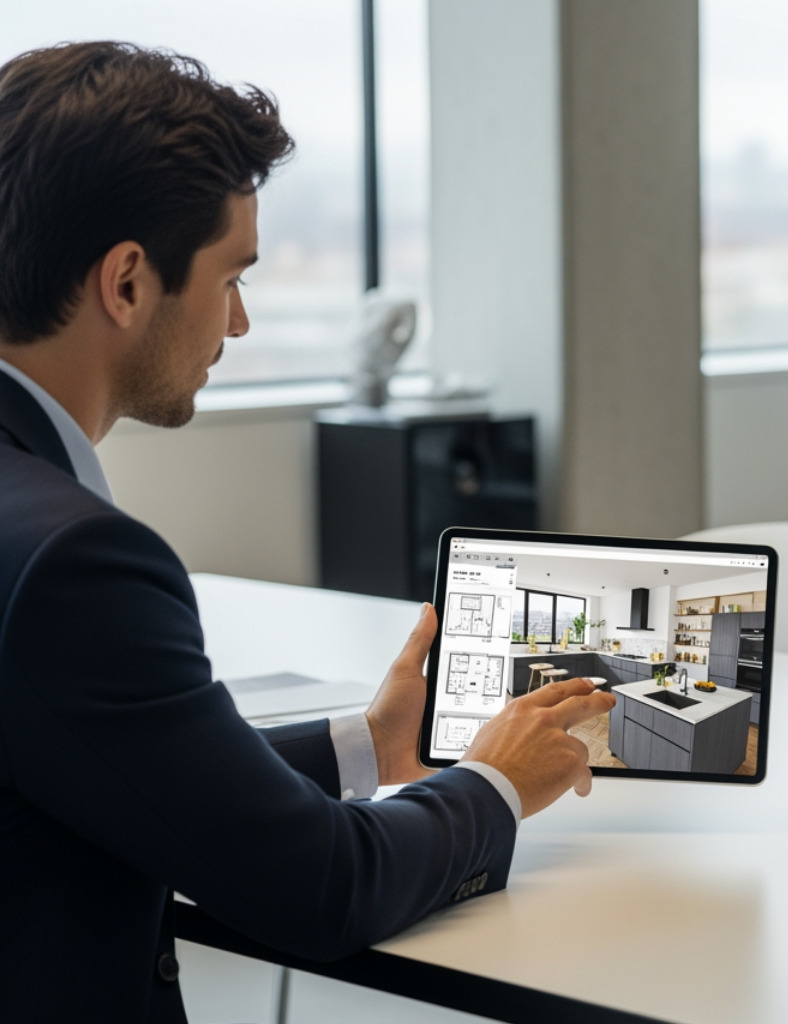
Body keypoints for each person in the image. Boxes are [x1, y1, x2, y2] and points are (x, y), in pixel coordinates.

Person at [0, 42, 614, 1023]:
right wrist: (497, 782)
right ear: (125, 282)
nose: (237, 324)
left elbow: (127, 770)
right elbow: (326, 886)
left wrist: (373, 743)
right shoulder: (75, 566)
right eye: (231, 277)